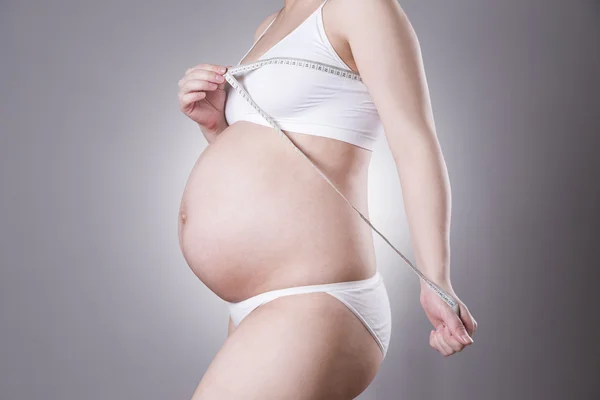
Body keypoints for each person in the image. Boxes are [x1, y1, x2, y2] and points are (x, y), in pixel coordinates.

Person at [176, 0, 478, 398]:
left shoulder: (359, 7)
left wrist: (435, 278)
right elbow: (281, 153)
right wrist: (219, 130)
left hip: (315, 301)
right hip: (261, 307)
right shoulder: (268, 26)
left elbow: (414, 140)